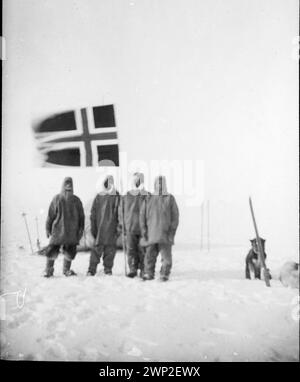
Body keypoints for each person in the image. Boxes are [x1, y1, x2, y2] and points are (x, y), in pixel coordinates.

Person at [140, 175, 179, 281]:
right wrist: (144, 232)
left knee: (166, 259)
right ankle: (148, 273)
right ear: (155, 184)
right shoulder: (149, 198)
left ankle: (164, 274)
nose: (160, 185)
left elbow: (175, 218)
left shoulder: (170, 198)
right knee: (149, 257)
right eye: (158, 183)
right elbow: (142, 216)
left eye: (162, 183)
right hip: (151, 234)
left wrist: (171, 232)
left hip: (165, 235)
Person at [44, 177, 85, 277]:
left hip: (71, 232)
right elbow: (51, 215)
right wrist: (48, 228)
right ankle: (48, 270)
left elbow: (81, 218)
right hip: (58, 231)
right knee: (52, 250)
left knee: (70, 252)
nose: (68, 187)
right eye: (66, 185)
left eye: (70, 186)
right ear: (62, 186)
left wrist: (80, 230)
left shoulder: (76, 201)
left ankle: (66, 270)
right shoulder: (57, 199)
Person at [87, 175, 120, 276]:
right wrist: (93, 229)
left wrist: (119, 227)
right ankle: (94, 269)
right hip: (103, 230)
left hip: (107, 229)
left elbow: (120, 212)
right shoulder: (100, 197)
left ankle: (105, 269)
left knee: (107, 251)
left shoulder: (115, 196)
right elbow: (93, 214)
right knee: (100, 251)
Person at [119, 172, 150, 278]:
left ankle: (143, 269)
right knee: (131, 250)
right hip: (130, 227)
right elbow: (121, 211)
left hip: (144, 228)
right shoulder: (126, 196)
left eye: (139, 180)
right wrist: (121, 224)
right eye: (135, 180)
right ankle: (132, 268)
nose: (137, 183)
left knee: (143, 250)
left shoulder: (147, 195)